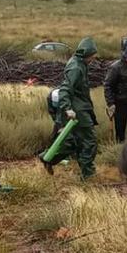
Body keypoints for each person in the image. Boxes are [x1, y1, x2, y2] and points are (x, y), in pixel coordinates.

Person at [42, 37, 100, 178]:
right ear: (86, 54)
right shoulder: (76, 67)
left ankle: (47, 158)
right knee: (89, 141)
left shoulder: (81, 63)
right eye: (92, 55)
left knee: (73, 143)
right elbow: (65, 90)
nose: (94, 58)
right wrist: (68, 108)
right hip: (77, 111)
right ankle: (88, 173)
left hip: (81, 108)